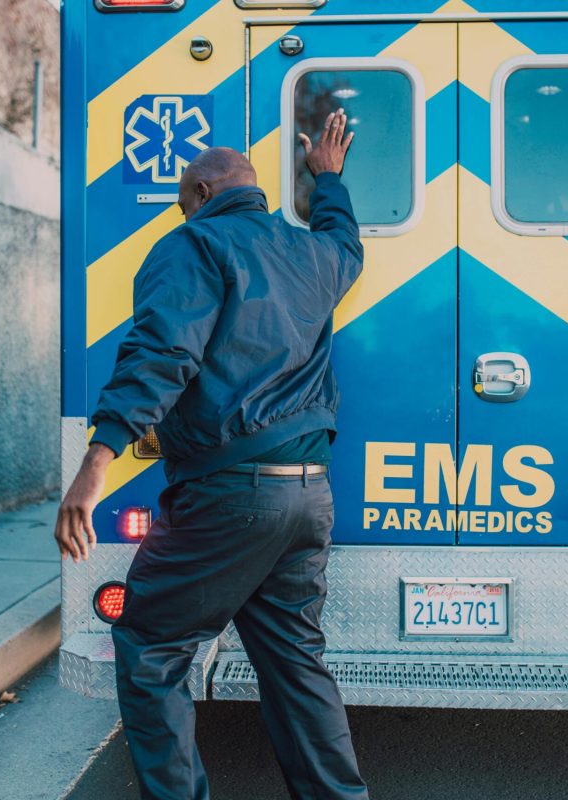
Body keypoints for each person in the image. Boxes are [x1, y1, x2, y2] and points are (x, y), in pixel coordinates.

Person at [54, 108, 369, 800]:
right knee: (295, 663)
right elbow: (346, 241)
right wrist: (329, 180)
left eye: (181, 203)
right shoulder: (313, 252)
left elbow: (163, 353)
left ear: (198, 195)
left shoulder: (193, 245)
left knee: (150, 649)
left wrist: (95, 462)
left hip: (230, 496)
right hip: (309, 496)